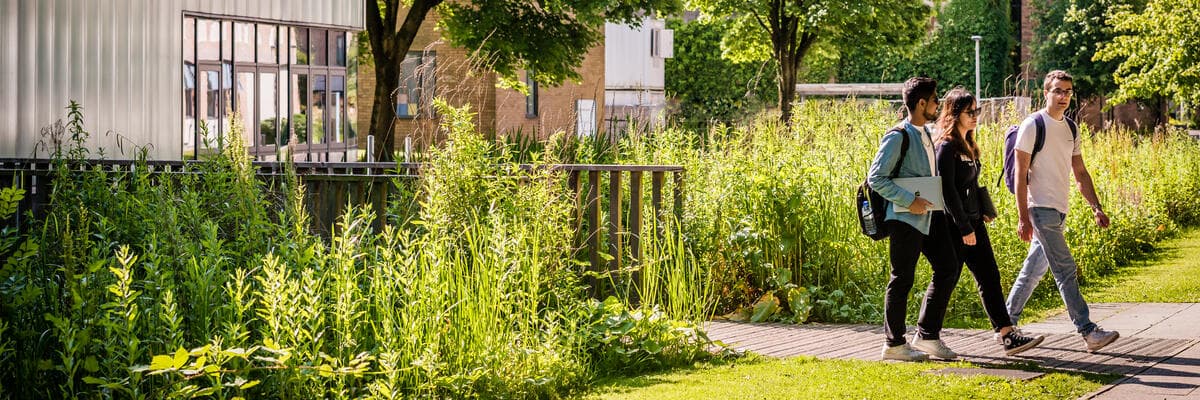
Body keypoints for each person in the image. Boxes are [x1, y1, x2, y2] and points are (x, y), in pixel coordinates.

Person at [1005, 70, 1119, 352]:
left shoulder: (1071, 128)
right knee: (1065, 269)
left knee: (1033, 271)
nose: (1063, 96)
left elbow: (1080, 172)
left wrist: (1096, 207)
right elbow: (1020, 175)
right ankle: (1088, 331)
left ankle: (1004, 324)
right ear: (1046, 93)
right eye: (1057, 91)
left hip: (1059, 210)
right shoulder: (1033, 124)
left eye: (1067, 91)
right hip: (1040, 208)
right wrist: (1023, 216)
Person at [934, 87, 1045, 356]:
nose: (975, 116)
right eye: (969, 112)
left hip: (974, 221)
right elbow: (947, 190)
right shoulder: (946, 146)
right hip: (956, 226)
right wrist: (964, 227)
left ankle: (1006, 333)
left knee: (989, 276)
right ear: (954, 113)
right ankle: (926, 332)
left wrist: (982, 210)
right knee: (946, 279)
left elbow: (969, 186)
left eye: (977, 111)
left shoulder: (968, 144)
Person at [868, 77, 961, 361]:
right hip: (905, 218)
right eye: (934, 100)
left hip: (930, 217)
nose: (937, 104)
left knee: (948, 267)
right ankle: (894, 344)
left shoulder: (926, 133)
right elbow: (876, 178)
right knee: (902, 279)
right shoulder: (899, 135)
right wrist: (910, 201)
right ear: (921, 103)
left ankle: (928, 335)